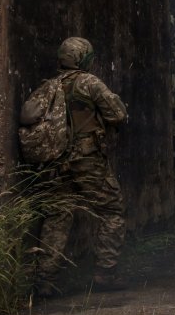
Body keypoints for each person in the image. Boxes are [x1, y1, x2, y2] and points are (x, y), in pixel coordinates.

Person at [21, 36, 128, 297]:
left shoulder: (47, 87)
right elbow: (118, 114)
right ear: (85, 59)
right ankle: (105, 272)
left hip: (54, 163)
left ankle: (44, 280)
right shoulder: (89, 83)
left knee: (58, 215)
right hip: (87, 160)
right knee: (112, 210)